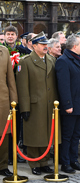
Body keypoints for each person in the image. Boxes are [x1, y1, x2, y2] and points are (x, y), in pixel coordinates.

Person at [16, 32, 59, 175]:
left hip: (50, 104)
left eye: (46, 44)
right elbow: (22, 87)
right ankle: (34, 163)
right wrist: (25, 108)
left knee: (47, 134)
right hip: (35, 105)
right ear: (34, 46)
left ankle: (44, 162)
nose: (46, 47)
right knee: (35, 136)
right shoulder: (25, 61)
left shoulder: (51, 60)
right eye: (42, 44)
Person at [55, 34, 80, 173]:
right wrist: (67, 104)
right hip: (71, 106)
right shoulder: (64, 61)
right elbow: (64, 85)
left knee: (76, 135)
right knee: (67, 136)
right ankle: (65, 162)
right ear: (74, 46)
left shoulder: (77, 59)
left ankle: (74, 160)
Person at [0, 45, 18, 177]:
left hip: (2, 100)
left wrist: (14, 100)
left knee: (4, 133)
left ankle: (2, 165)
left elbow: (10, 78)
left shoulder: (4, 51)